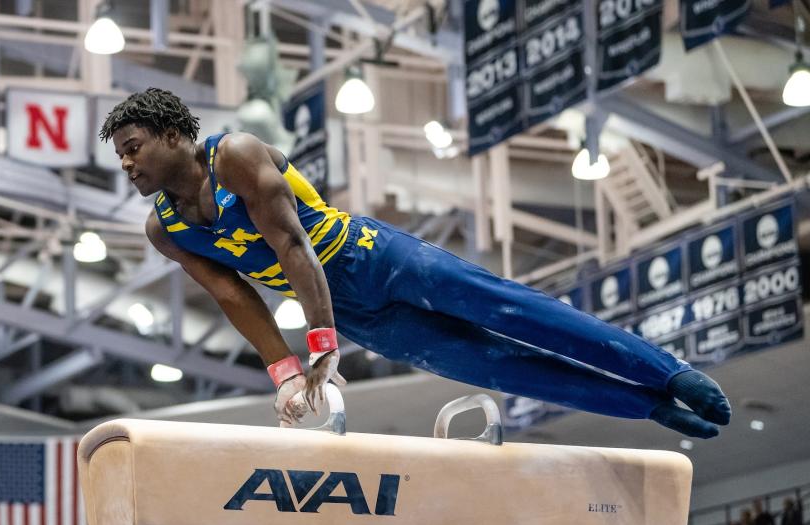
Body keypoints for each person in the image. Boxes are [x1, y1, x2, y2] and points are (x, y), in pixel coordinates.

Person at [100, 88, 732, 435]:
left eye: (133, 148)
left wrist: (321, 344)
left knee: (518, 313)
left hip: (372, 258)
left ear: (175, 135)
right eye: (120, 157)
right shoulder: (166, 228)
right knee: (495, 366)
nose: (127, 164)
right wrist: (286, 373)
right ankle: (646, 406)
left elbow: (294, 249)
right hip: (355, 313)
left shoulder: (234, 155)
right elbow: (234, 296)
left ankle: (666, 372)